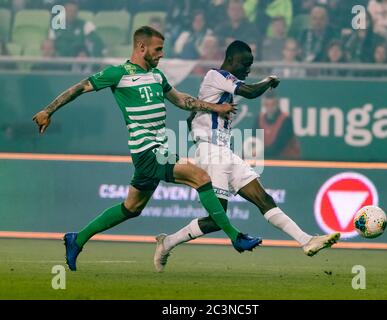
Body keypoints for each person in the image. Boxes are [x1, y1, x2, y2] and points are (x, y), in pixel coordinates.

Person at [32, 26, 262, 271]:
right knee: (201, 176)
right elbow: (79, 88)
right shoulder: (117, 73)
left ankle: (76, 239)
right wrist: (48, 110)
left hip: (156, 150)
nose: (161, 54)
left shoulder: (157, 76)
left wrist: (215, 108)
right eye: (158, 49)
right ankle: (235, 237)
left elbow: (182, 100)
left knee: (131, 208)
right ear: (141, 47)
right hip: (147, 150)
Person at [153, 40, 340, 272]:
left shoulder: (223, 86)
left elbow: (194, 117)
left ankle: (306, 241)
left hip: (225, 153)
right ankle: (167, 242)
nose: (247, 70)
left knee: (265, 200)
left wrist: (196, 119)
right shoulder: (215, 75)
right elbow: (250, 92)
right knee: (215, 219)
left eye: (250, 65)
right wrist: (269, 80)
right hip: (211, 152)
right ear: (230, 60)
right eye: (244, 64)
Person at [255, 90, 300, 159]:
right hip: (267, 160)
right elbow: (253, 139)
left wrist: (259, 152)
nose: (270, 108)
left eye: (273, 104)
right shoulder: (259, 119)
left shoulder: (286, 120)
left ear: (277, 103)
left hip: (287, 160)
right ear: (263, 104)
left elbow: (279, 146)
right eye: (267, 104)